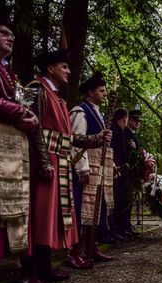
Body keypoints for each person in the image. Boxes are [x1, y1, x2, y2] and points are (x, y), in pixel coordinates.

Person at [23, 50, 111, 283]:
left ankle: (45, 266)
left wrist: (96, 138)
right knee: (39, 214)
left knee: (53, 216)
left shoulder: (59, 97)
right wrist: (41, 161)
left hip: (59, 160)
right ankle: (29, 270)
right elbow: (31, 128)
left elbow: (71, 138)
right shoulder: (37, 89)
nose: (69, 71)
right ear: (50, 68)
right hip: (45, 159)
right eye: (64, 67)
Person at [0, 6, 40, 283]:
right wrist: (18, 111)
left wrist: (29, 119)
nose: (10, 38)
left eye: (12, 34)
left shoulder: (7, 70)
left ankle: (19, 268)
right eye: (2, 32)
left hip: (10, 148)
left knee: (10, 210)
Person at [69, 72, 114, 262]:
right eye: (101, 91)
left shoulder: (98, 113)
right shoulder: (81, 111)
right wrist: (82, 167)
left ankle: (92, 246)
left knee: (96, 208)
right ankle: (75, 250)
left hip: (99, 167)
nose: (104, 94)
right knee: (82, 209)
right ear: (90, 92)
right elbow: (75, 141)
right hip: (86, 167)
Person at [110, 108, 130, 239]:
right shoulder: (115, 131)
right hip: (115, 170)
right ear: (124, 118)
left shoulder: (121, 132)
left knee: (121, 201)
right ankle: (114, 229)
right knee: (115, 202)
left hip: (122, 171)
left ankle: (119, 228)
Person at [125, 107, 142, 234]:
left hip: (133, 173)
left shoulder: (134, 135)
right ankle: (124, 226)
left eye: (139, 121)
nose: (138, 123)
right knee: (125, 201)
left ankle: (127, 225)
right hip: (127, 171)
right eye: (135, 120)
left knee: (130, 201)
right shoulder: (126, 133)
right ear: (129, 120)